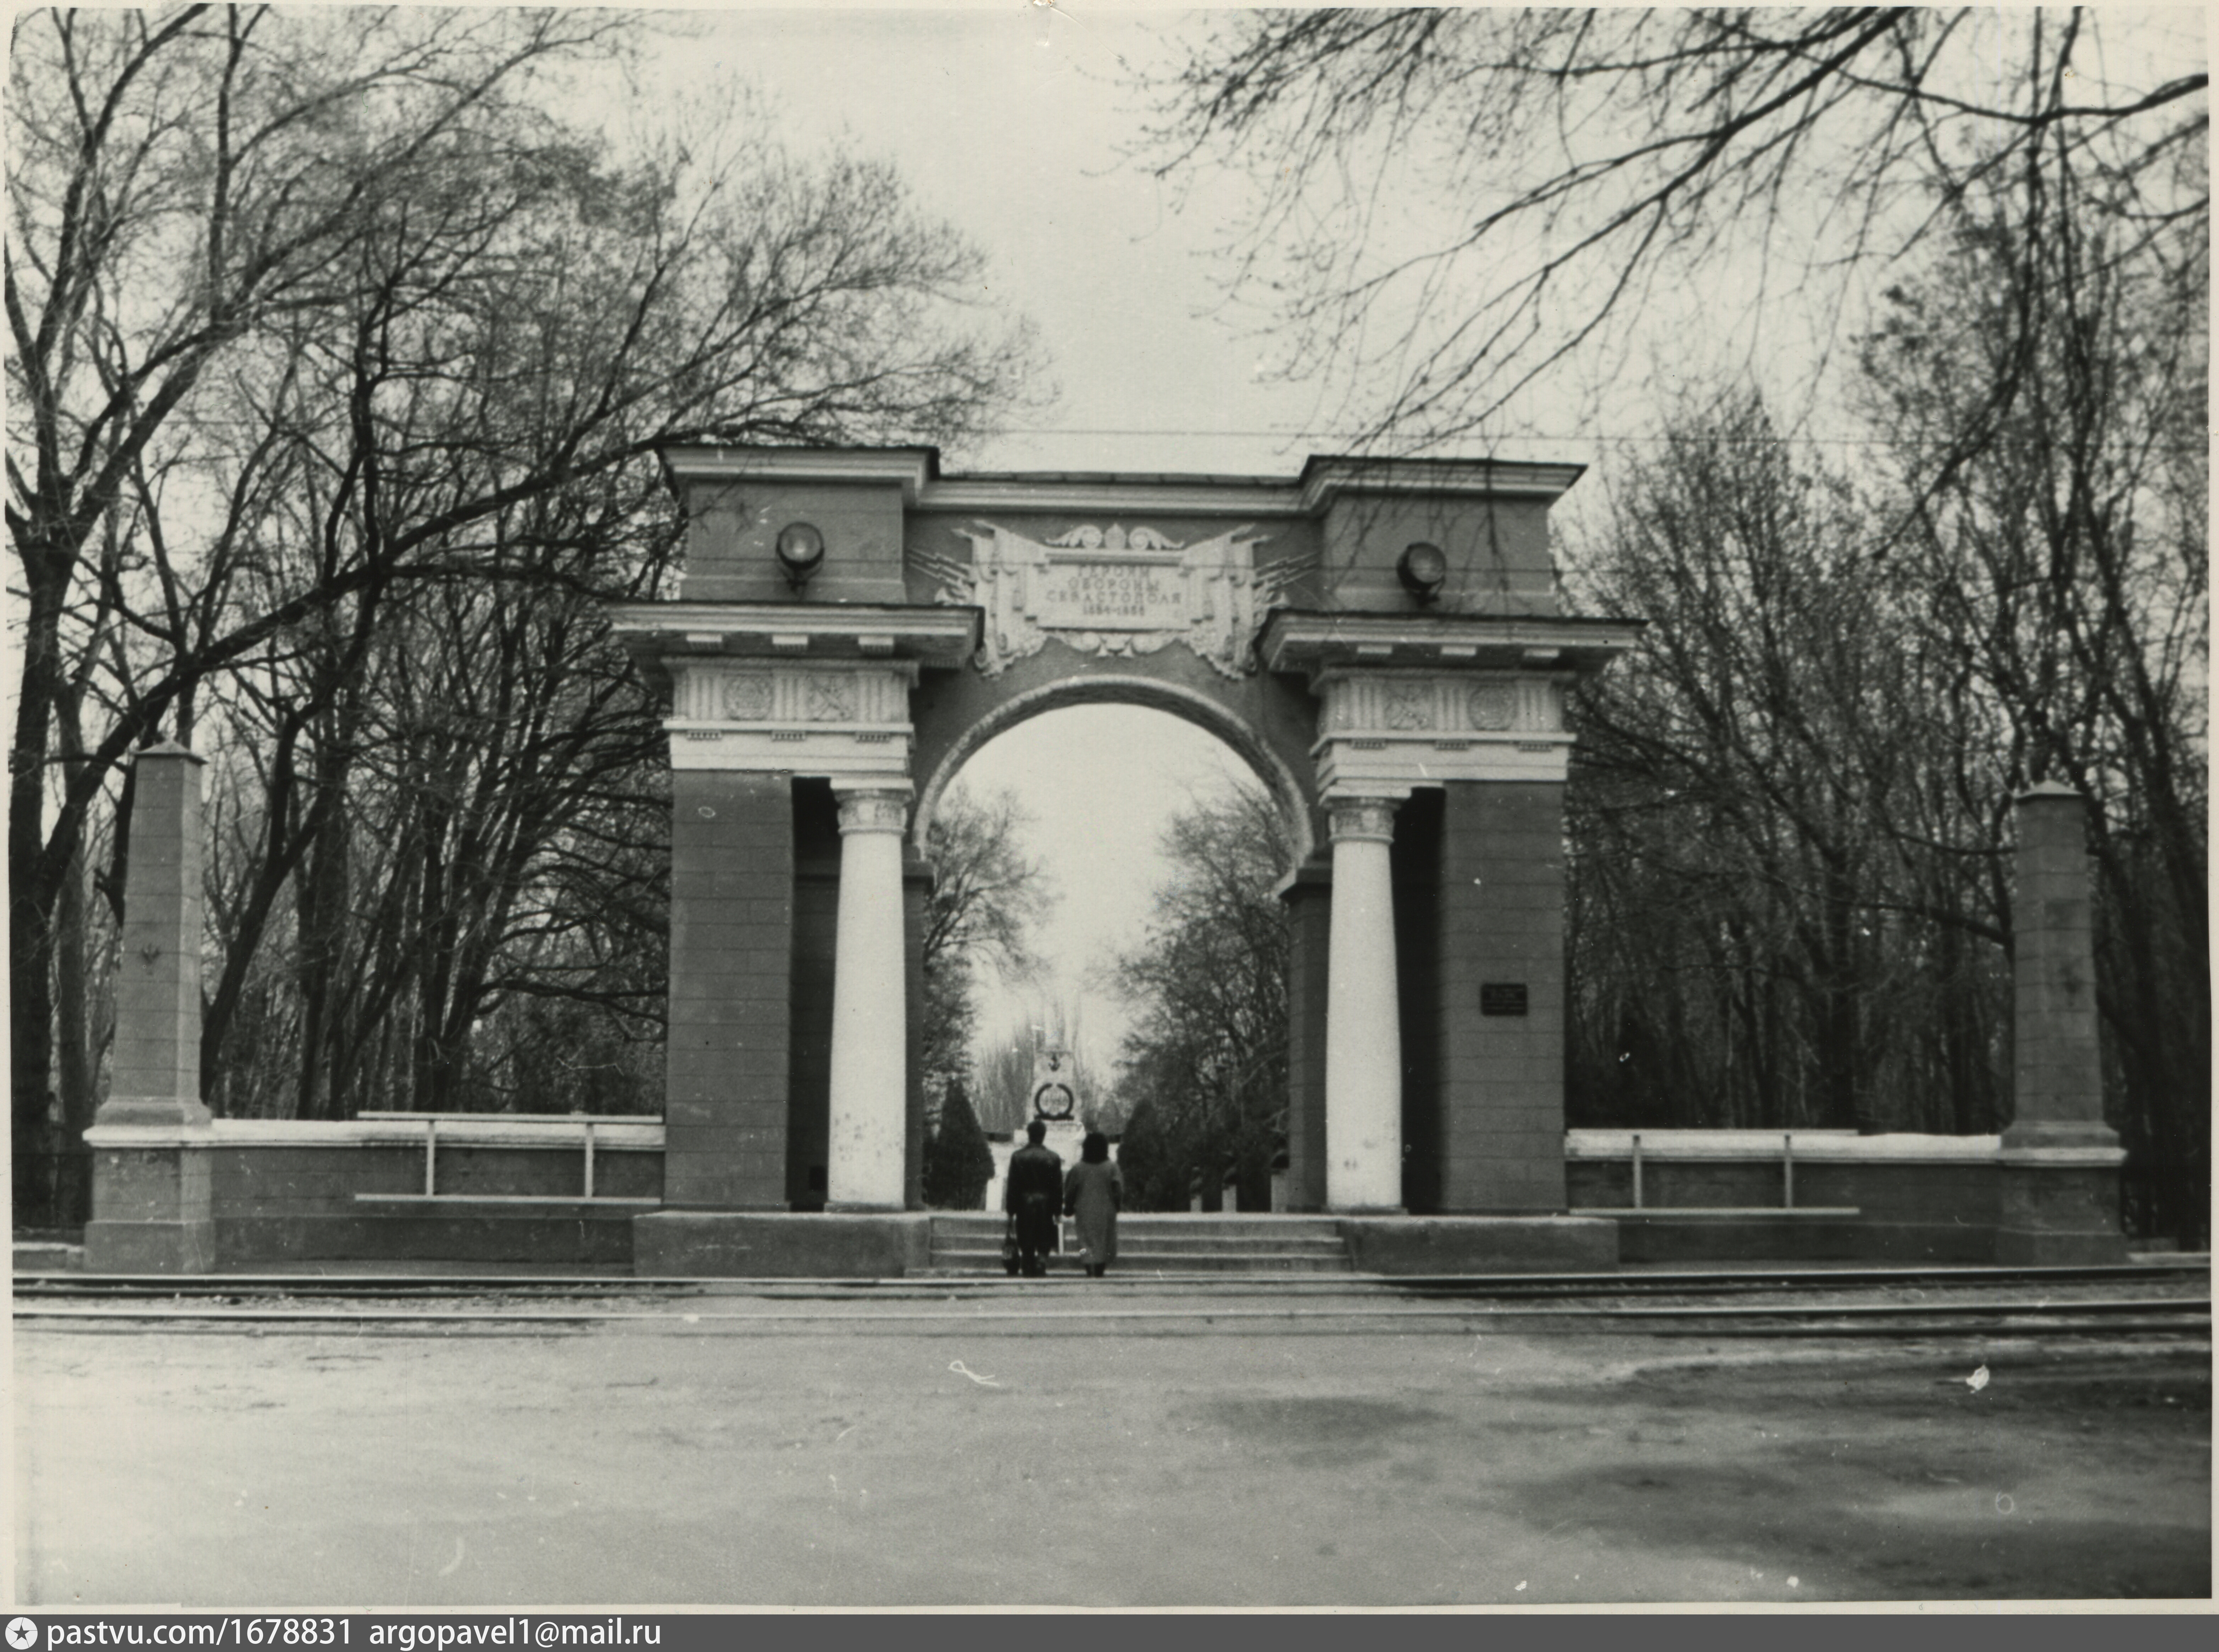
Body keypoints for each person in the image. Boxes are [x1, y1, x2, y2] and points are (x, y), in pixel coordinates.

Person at [1003, 1119, 1063, 1277]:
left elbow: (1013, 1187)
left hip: (1024, 1203)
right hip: (1046, 1202)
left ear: (1029, 1135)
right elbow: (1057, 1188)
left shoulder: (1018, 1157)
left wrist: (1010, 1211)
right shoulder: (1053, 1158)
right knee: (1044, 1234)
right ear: (1044, 1136)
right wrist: (1058, 1211)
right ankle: (1041, 1262)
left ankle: (1028, 1263)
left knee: (1025, 1235)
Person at [1063, 1131, 1122, 1279]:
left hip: (1085, 1210)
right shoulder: (1112, 1167)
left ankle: (1090, 1268)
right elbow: (1118, 1189)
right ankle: (1101, 1268)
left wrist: (1069, 1207)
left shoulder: (1078, 1168)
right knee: (1105, 1240)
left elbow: (1070, 1190)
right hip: (1106, 1210)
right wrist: (1118, 1204)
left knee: (1086, 1240)